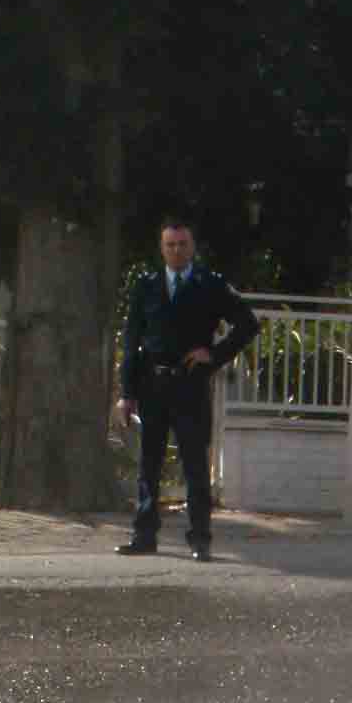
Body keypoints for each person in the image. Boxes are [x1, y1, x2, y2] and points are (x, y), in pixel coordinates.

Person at [114, 218, 261, 562]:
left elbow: (248, 324)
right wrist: (126, 393)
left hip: (190, 385)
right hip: (152, 384)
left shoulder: (210, 284)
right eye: (170, 245)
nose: (176, 251)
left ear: (192, 247)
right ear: (161, 248)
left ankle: (199, 539)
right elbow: (132, 340)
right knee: (149, 465)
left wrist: (214, 355)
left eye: (182, 244)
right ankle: (144, 536)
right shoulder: (147, 286)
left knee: (194, 465)